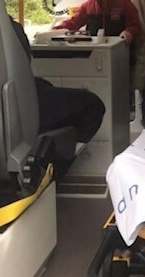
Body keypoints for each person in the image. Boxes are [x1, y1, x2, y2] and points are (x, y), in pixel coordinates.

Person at [10, 17, 105, 178]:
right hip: (19, 98)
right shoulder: (6, 30)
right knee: (92, 105)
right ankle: (50, 172)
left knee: (43, 84)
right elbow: (23, 64)